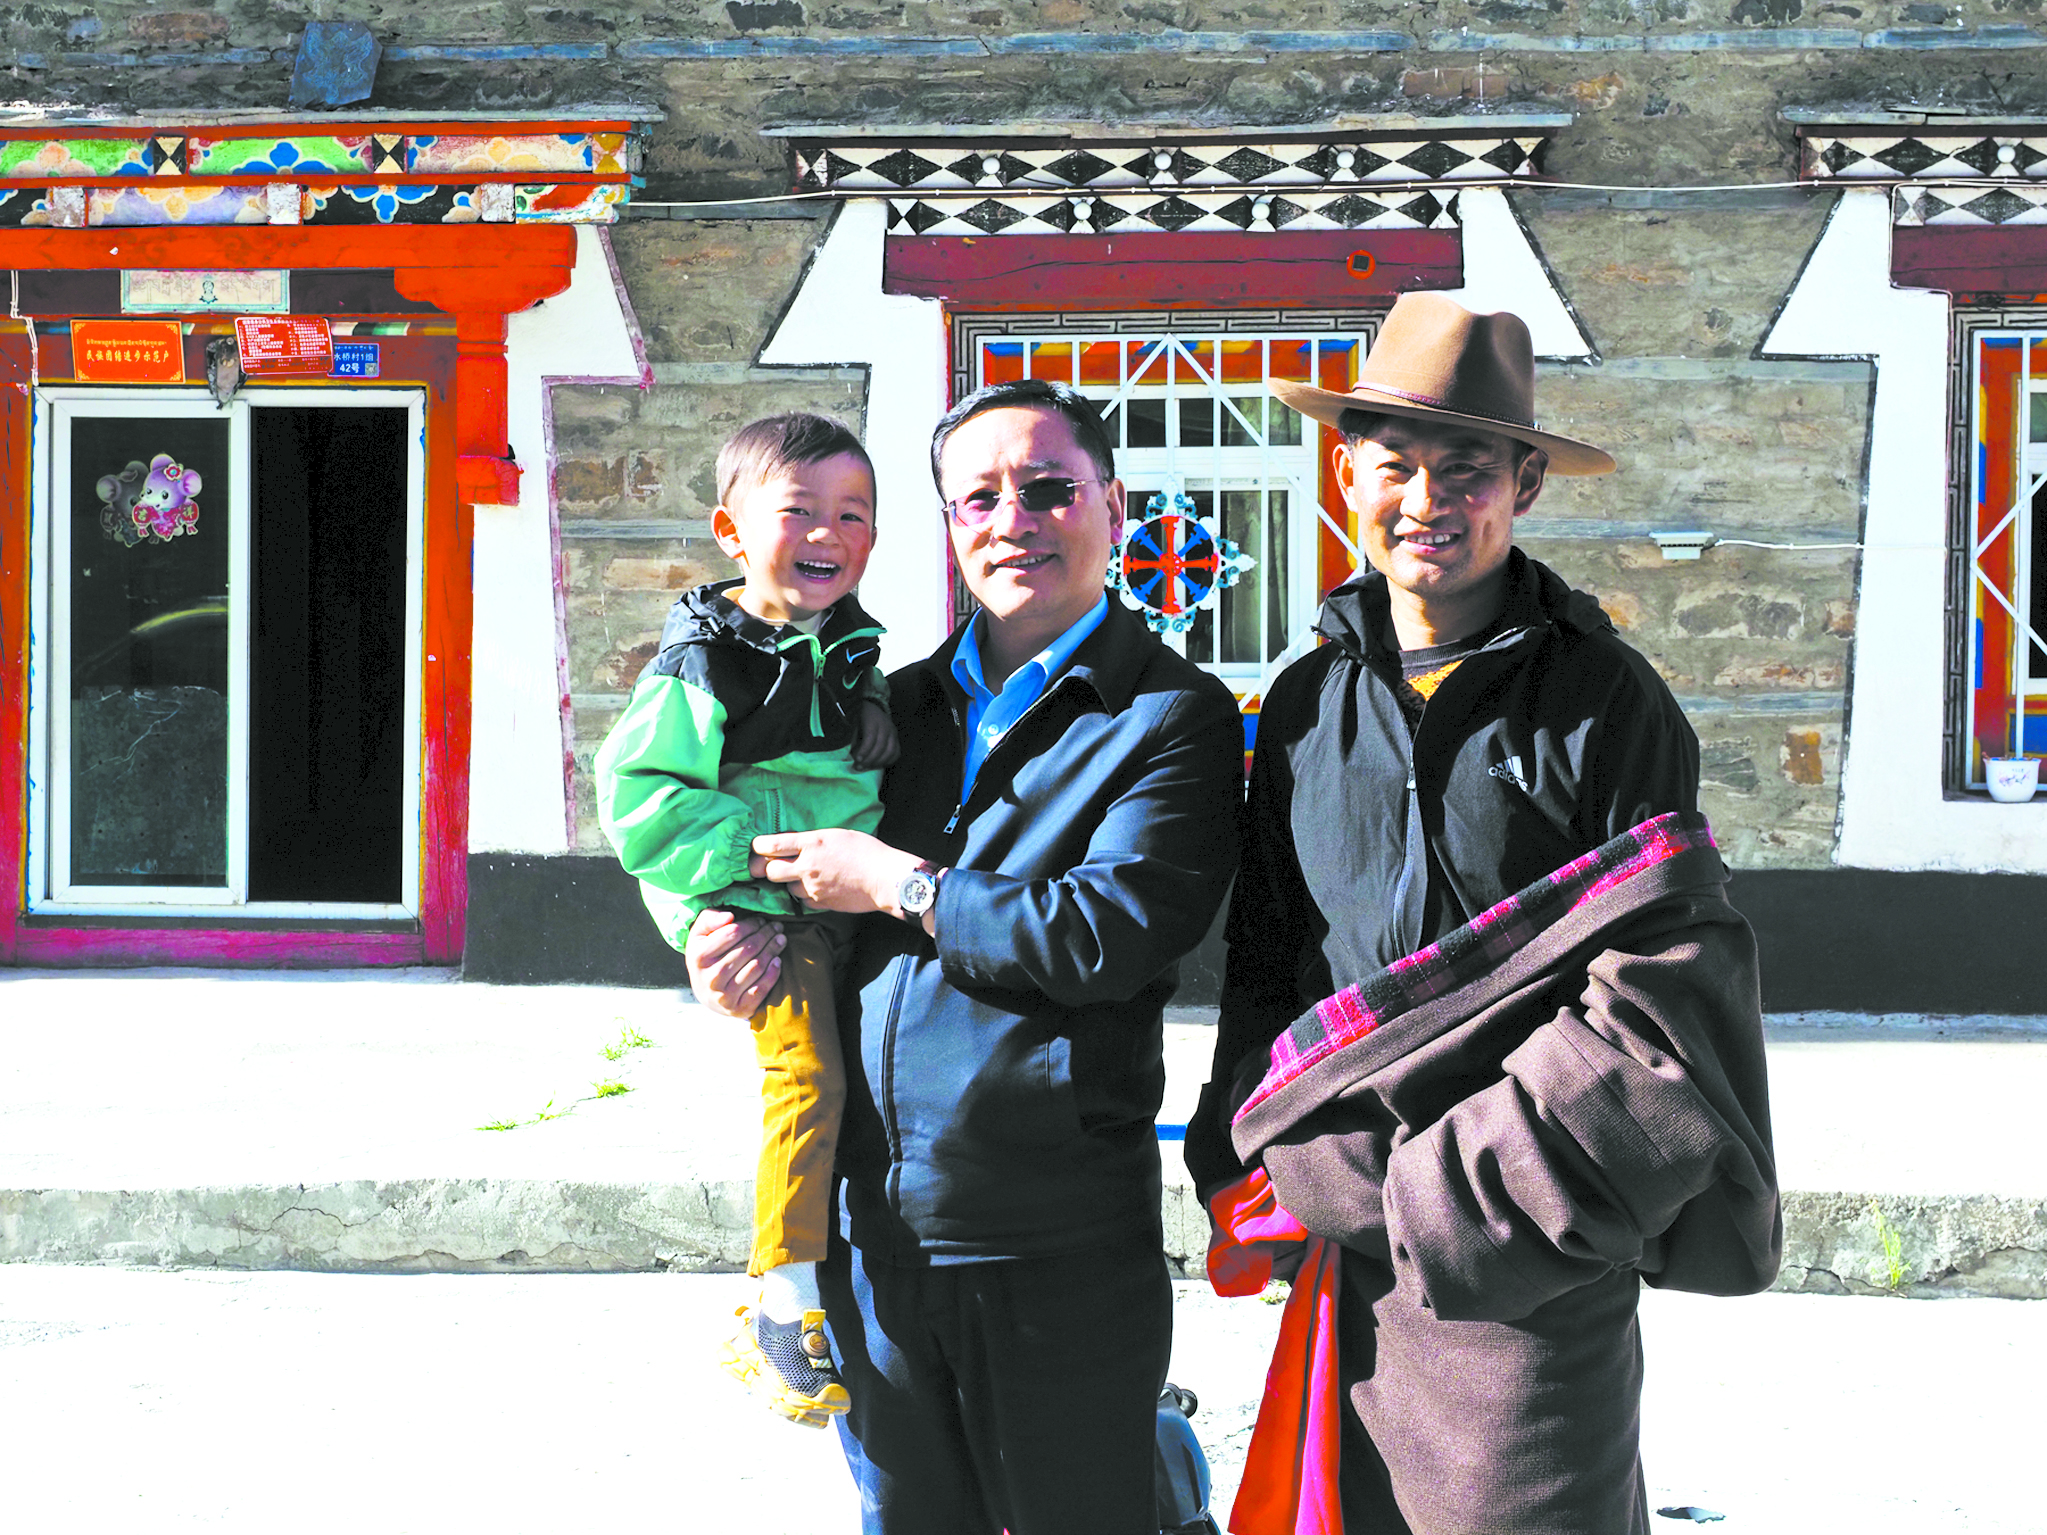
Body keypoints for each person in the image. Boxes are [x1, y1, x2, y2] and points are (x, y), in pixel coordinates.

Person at [1185, 293, 1780, 1535]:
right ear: (1345, 472)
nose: (1426, 500)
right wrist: (1246, 1150)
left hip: (1531, 1230)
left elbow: (1657, 989)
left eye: (1466, 469)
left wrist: (1467, 1190)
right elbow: (1271, 954)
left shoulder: (1604, 702)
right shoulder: (1303, 703)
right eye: (1393, 463)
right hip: (1346, 1225)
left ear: (1524, 486)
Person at [686, 377, 1245, 1535]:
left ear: (1113, 505)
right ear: (947, 524)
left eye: (1047, 490)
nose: (1012, 521)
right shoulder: (887, 710)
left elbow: (1104, 933)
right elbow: (784, 875)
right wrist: (729, 940)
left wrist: (900, 881)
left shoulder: (1168, 716)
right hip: (872, 1231)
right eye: (977, 499)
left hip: (1053, 1238)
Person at [594, 412, 897, 1427]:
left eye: (851, 513)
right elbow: (638, 796)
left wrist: (873, 714)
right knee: (807, 1081)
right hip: (772, 915)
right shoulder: (706, 660)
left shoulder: (850, 638)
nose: (828, 532)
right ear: (730, 530)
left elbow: (856, 718)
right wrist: (751, 862)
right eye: (798, 511)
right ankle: (778, 1299)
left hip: (857, 903)